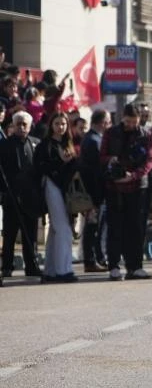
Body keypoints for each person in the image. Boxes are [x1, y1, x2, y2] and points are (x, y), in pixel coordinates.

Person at [102, 103, 152, 280]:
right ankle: (114, 266)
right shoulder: (111, 133)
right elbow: (102, 156)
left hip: (137, 188)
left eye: (134, 121)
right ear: (122, 118)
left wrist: (133, 175)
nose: (131, 125)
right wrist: (113, 161)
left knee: (136, 228)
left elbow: (149, 161)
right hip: (114, 188)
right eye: (128, 121)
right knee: (115, 227)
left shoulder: (146, 135)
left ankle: (135, 267)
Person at [35, 112, 80, 283]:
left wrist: (70, 161)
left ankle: (51, 271)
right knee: (63, 229)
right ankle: (64, 270)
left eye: (63, 124)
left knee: (56, 230)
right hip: (52, 186)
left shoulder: (69, 143)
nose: (60, 127)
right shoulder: (45, 145)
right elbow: (39, 168)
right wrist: (60, 161)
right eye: (57, 124)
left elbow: (75, 167)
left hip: (67, 189)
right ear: (51, 126)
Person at [0, 111, 42, 278]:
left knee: (30, 235)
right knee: (10, 234)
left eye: (25, 124)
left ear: (30, 126)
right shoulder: (4, 145)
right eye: (19, 124)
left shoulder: (35, 144)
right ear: (13, 125)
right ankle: (7, 266)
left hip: (30, 197)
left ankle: (31, 266)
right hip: (11, 196)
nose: (22, 127)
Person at [80, 109, 110, 272]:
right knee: (92, 227)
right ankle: (89, 261)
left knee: (95, 228)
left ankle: (95, 258)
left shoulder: (94, 138)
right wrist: (95, 196)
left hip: (95, 192)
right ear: (102, 122)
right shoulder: (93, 140)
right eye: (108, 121)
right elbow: (93, 171)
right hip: (94, 192)